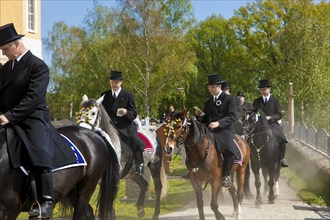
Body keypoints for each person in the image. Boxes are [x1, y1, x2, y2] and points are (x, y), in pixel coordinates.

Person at [0, 23, 75, 218]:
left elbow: (33, 98)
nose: (4, 53)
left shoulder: (38, 66)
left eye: (6, 49)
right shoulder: (7, 67)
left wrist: (9, 116)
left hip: (32, 118)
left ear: (17, 44)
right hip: (7, 117)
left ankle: (46, 201)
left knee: (38, 150)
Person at [195, 74, 241, 187]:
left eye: (213, 87)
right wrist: (200, 116)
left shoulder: (229, 99)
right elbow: (207, 119)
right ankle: (196, 170)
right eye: (209, 87)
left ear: (219, 86)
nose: (211, 89)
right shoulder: (208, 102)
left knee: (229, 149)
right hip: (209, 130)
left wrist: (219, 123)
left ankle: (226, 175)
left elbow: (232, 116)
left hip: (224, 130)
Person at [102, 70, 145, 175]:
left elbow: (134, 113)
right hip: (110, 126)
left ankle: (140, 164)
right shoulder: (105, 95)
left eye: (116, 82)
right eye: (112, 82)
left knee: (134, 139)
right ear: (110, 82)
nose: (114, 84)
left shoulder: (128, 95)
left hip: (125, 125)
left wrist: (126, 112)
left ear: (121, 82)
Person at [253, 79, 289, 167]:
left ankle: (281, 159)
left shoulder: (275, 101)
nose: (263, 91)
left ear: (269, 89)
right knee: (249, 136)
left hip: (272, 124)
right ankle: (252, 158)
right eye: (261, 89)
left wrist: (270, 117)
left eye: (265, 89)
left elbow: (280, 114)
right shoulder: (257, 101)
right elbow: (252, 112)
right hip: (260, 125)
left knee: (282, 138)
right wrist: (255, 116)